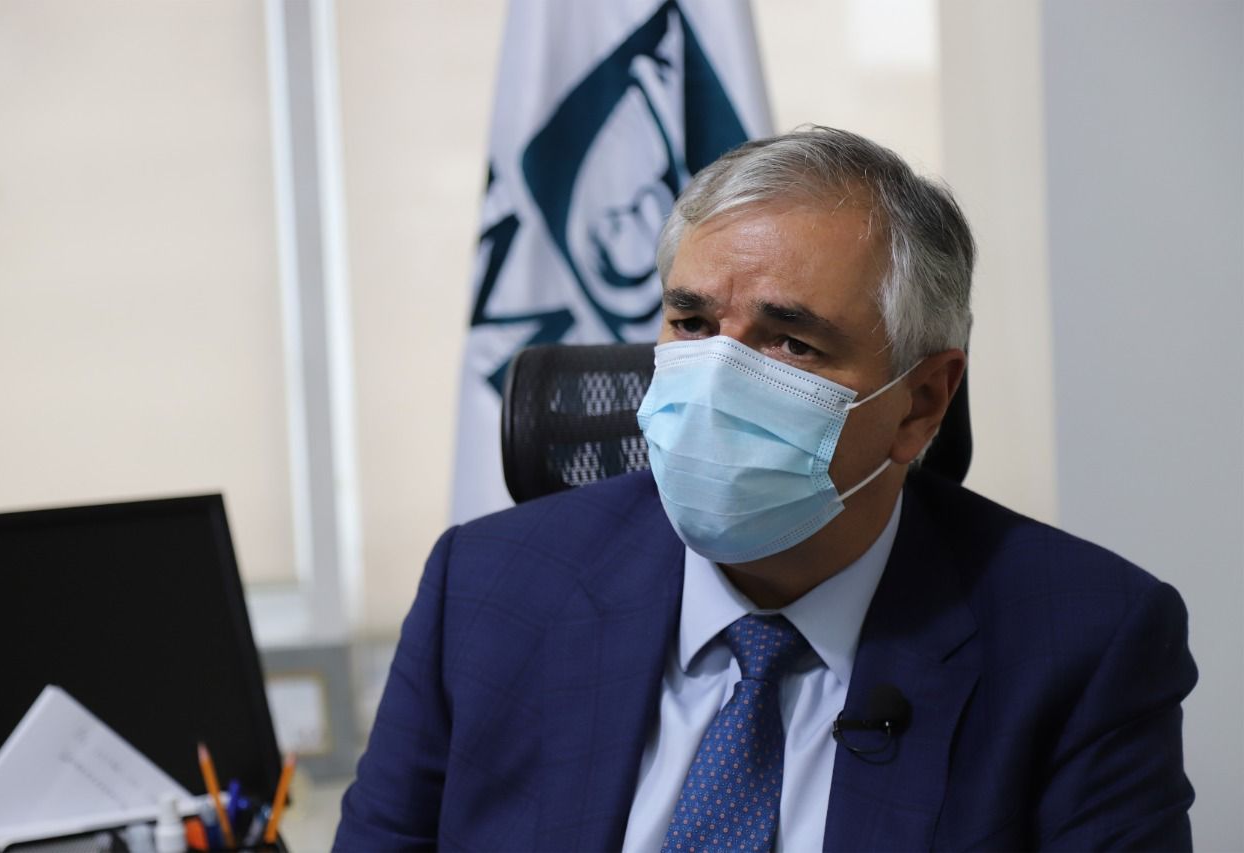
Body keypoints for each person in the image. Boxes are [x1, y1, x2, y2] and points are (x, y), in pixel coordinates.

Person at [334, 127, 1196, 852]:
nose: (716, 378)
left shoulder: (1083, 641)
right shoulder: (485, 591)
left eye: (790, 343)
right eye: (692, 323)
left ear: (921, 402)